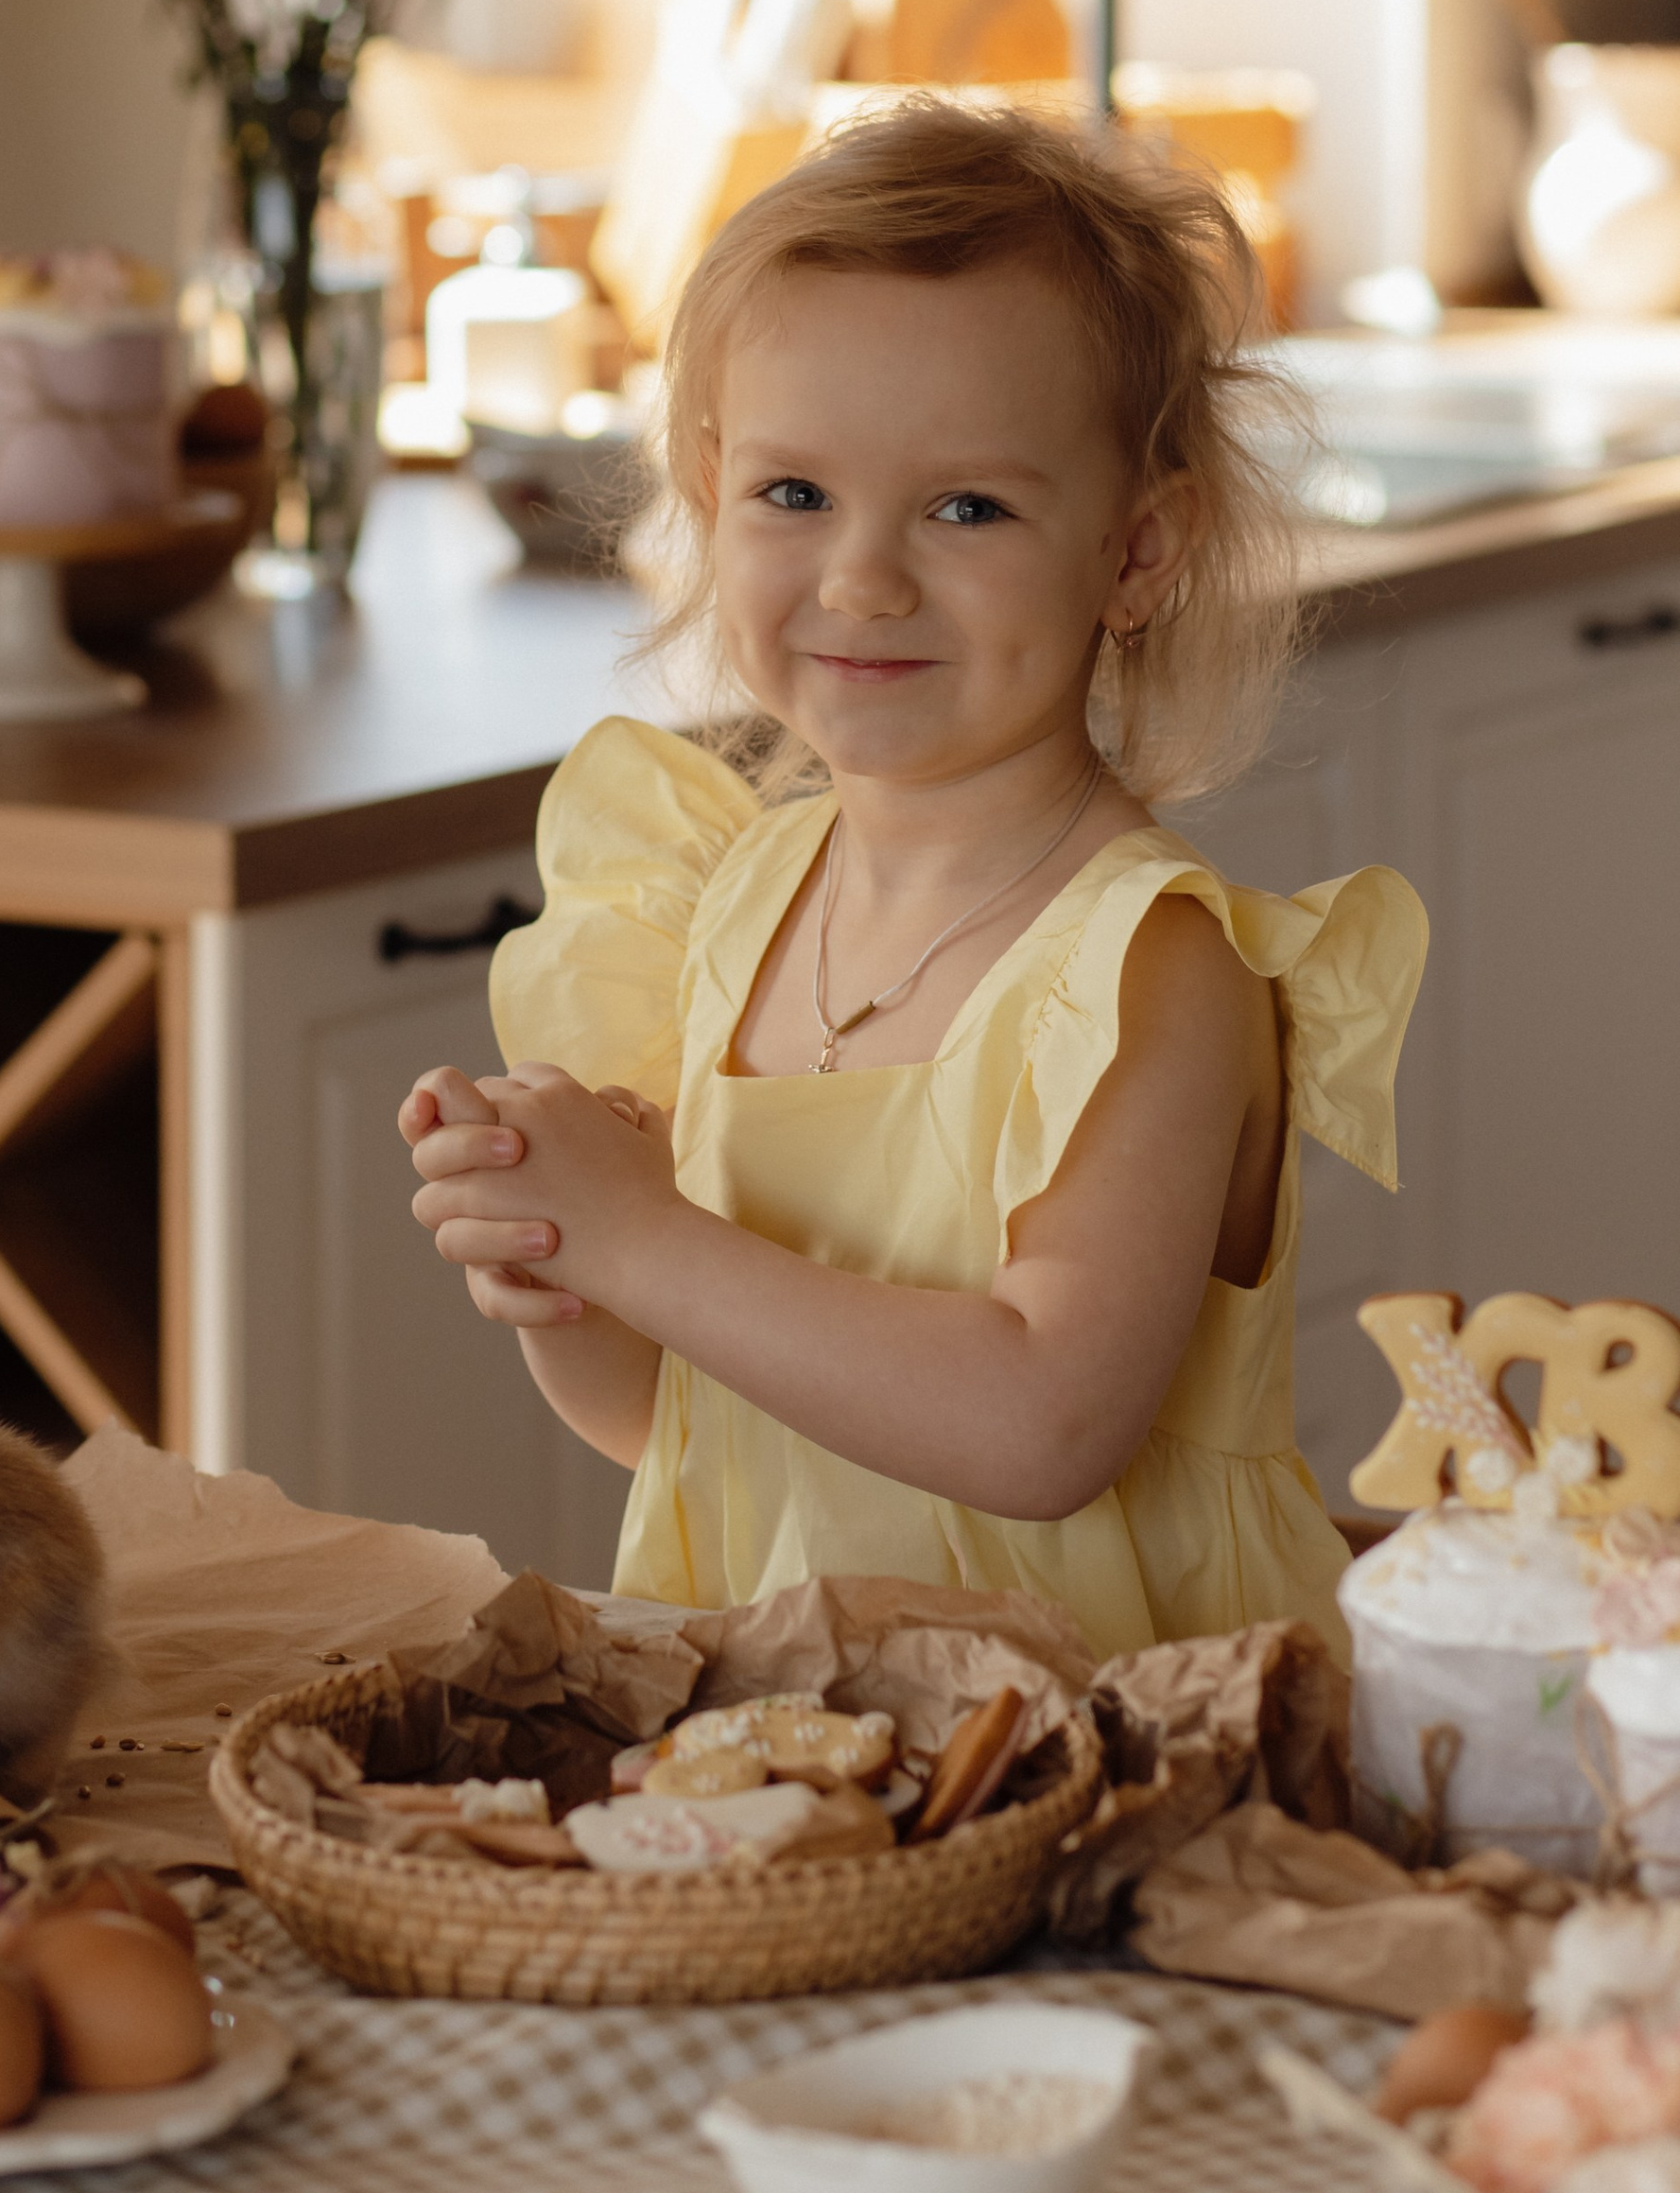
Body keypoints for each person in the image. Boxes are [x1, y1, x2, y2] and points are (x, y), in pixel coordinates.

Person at [397, 100, 1424, 1660]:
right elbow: (675, 1420)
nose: (864, 578)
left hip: (1122, 1763)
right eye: (796, 495)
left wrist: (650, 1243)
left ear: (1138, 555)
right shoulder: (734, 900)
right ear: (709, 484)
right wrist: (560, 1259)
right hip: (802, 1764)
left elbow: (1040, 1426)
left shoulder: (1146, 970)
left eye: (967, 508)